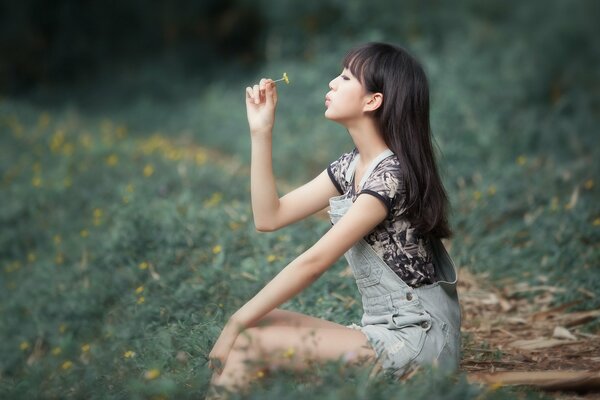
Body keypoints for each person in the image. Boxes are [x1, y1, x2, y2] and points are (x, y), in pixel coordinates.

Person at [207, 42, 461, 395]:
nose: (331, 83)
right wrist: (261, 132)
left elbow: (314, 263)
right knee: (255, 327)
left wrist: (235, 321)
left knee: (248, 340)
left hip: (419, 343)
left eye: (344, 78)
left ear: (373, 101)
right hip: (384, 331)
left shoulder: (391, 176)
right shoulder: (352, 166)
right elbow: (269, 216)